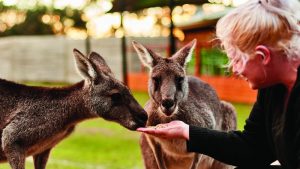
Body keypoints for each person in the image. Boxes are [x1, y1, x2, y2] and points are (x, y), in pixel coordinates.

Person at [137, 0, 300, 168]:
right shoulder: (272, 88)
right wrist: (187, 131)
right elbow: (252, 147)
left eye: (236, 59)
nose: (233, 69)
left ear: (263, 56)